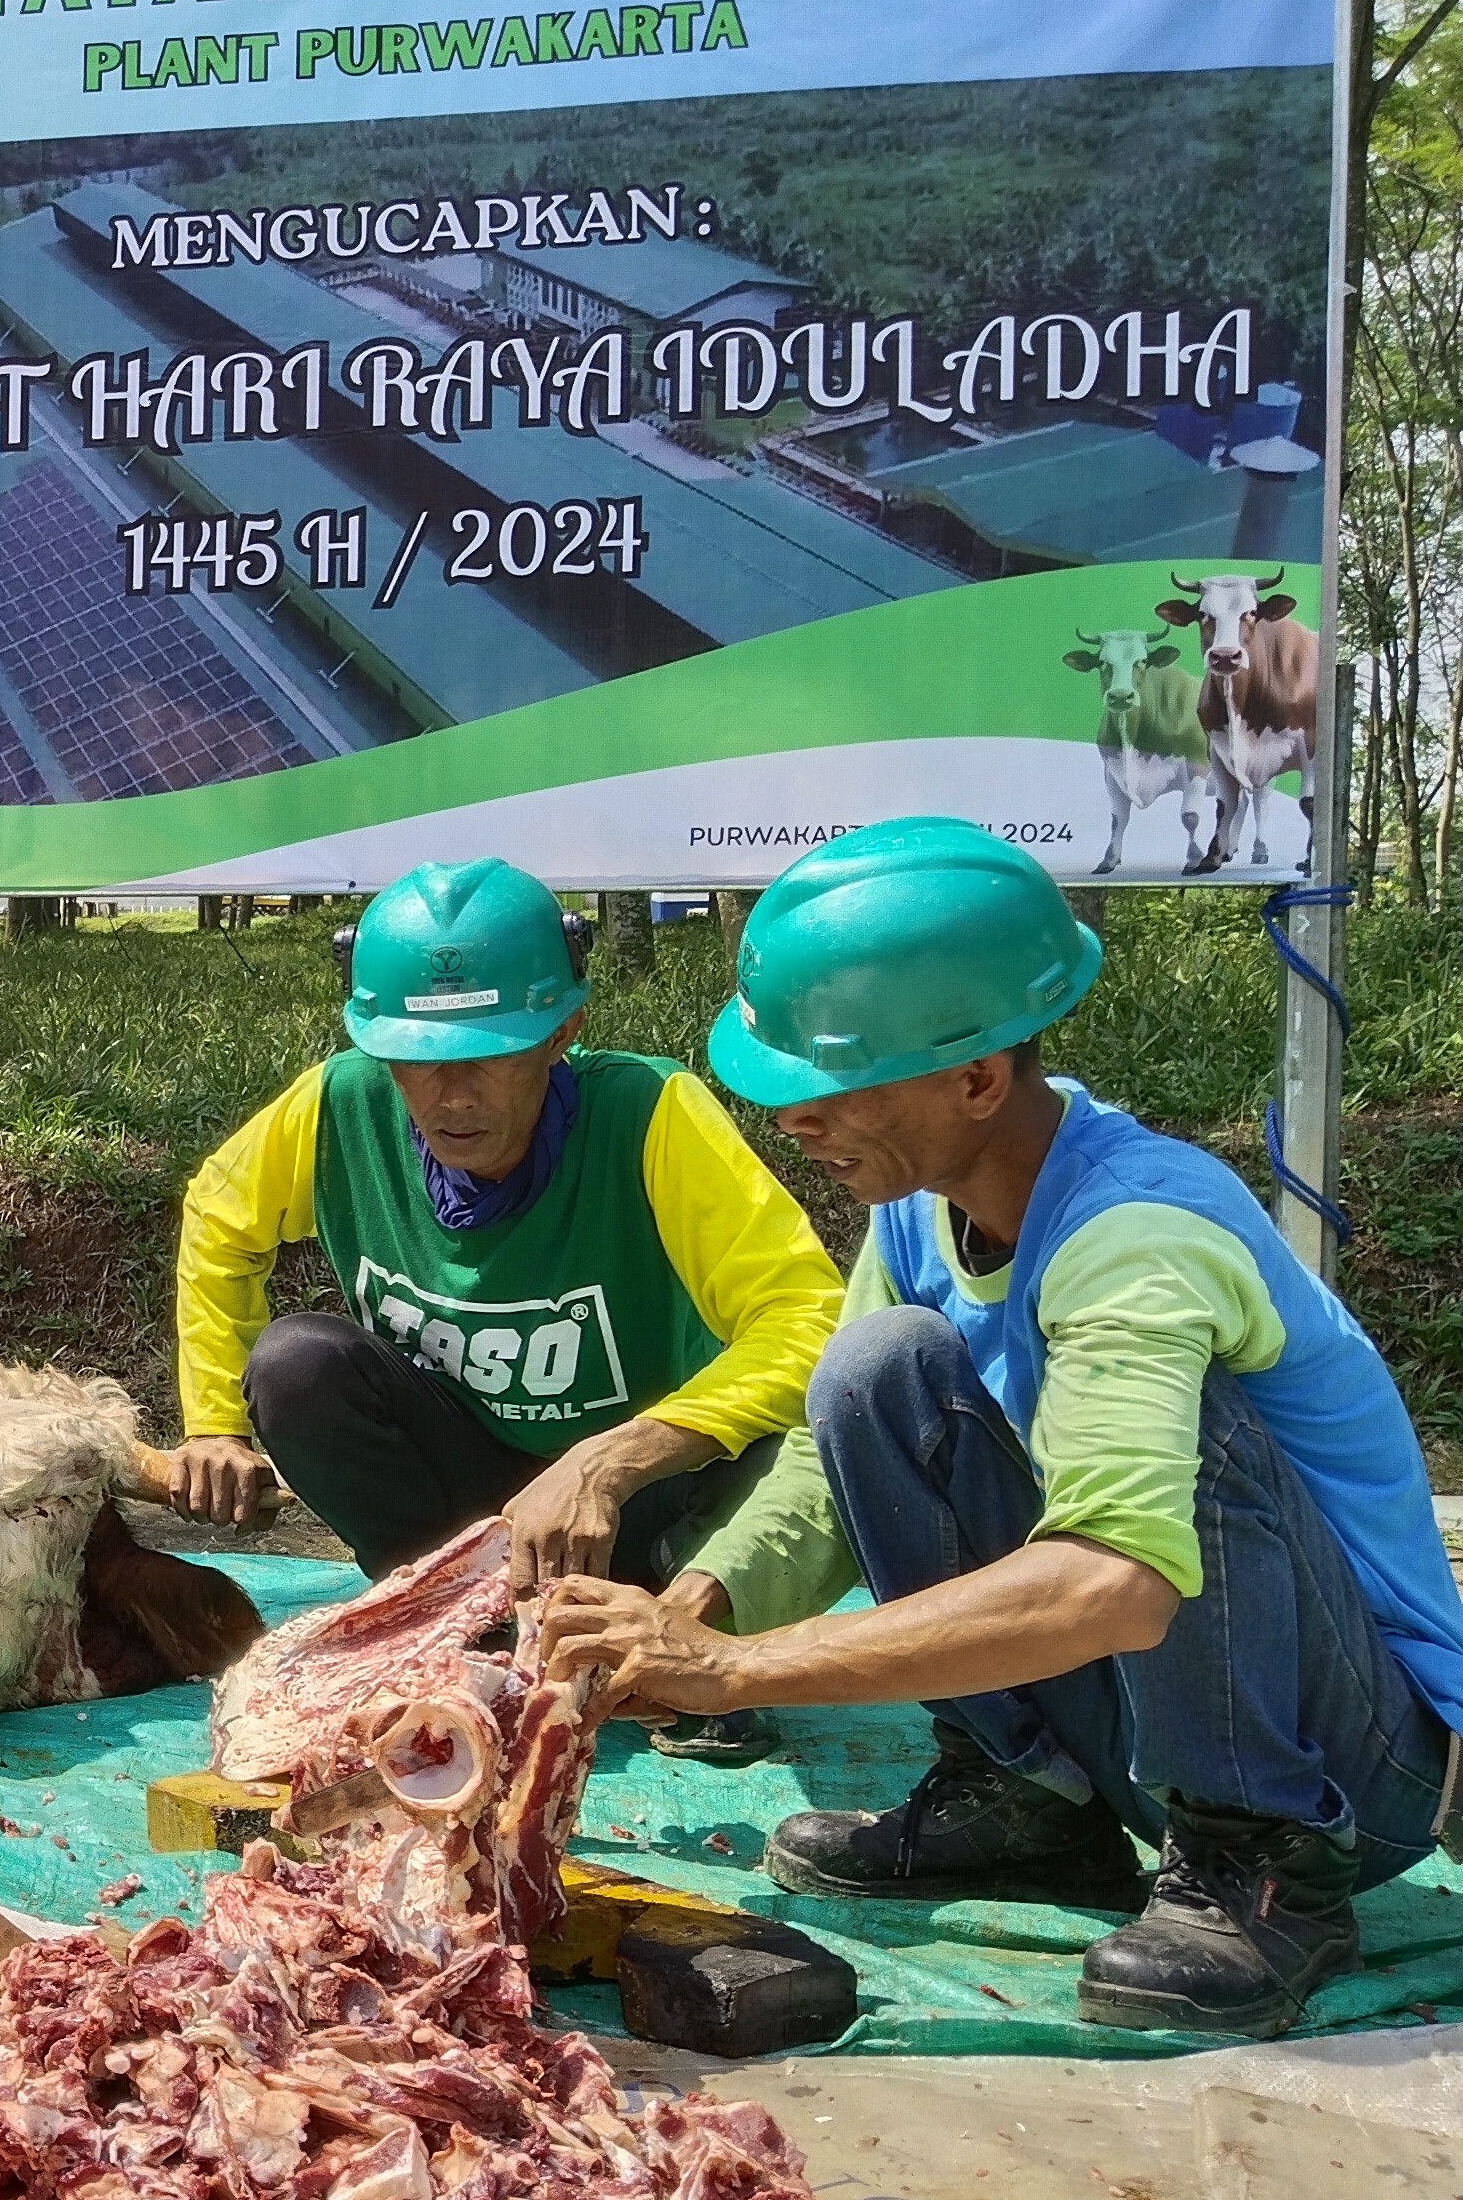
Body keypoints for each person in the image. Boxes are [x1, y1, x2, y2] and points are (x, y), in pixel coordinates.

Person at [541, 821, 1463, 2037]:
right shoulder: (927, 1207)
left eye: (829, 1085)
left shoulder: (1137, 1233)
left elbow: (1118, 1583)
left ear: (977, 1081)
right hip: (1149, 1709)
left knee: (1170, 1444)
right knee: (871, 1370)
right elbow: (829, 1463)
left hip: (1355, 1757)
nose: (793, 1121)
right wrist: (691, 1610)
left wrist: (738, 1672)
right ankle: (1032, 1799)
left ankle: (1261, 1861)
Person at [169, 856, 845, 1758]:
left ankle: (678, 1638)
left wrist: (614, 1461)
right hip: (477, 1507)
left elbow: (809, 1319)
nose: (451, 1097)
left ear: (562, 1030)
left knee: (815, 1426)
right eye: (417, 1061)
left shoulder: (649, 1115)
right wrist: (214, 1421)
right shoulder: (340, 1106)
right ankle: (459, 1621)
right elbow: (219, 1218)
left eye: (490, 1057)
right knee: (298, 1365)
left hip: (648, 1505)